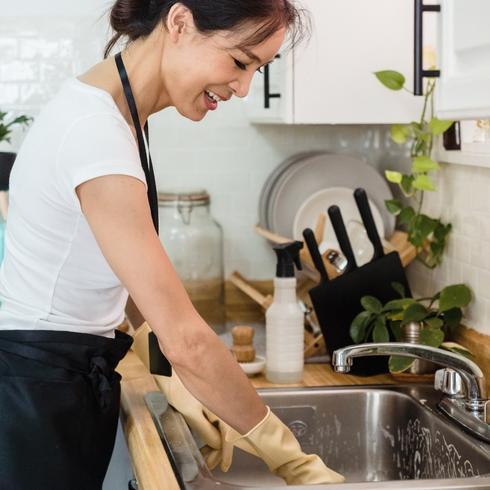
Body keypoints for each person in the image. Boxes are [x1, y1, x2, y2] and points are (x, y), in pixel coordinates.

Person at [0, 1, 344, 488]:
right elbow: (186, 338)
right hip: (35, 398)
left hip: (55, 384)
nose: (243, 88)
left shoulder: (117, 116)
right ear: (180, 23)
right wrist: (292, 460)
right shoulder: (95, 131)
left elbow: (131, 282)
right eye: (240, 63)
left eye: (258, 71)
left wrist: (179, 379)